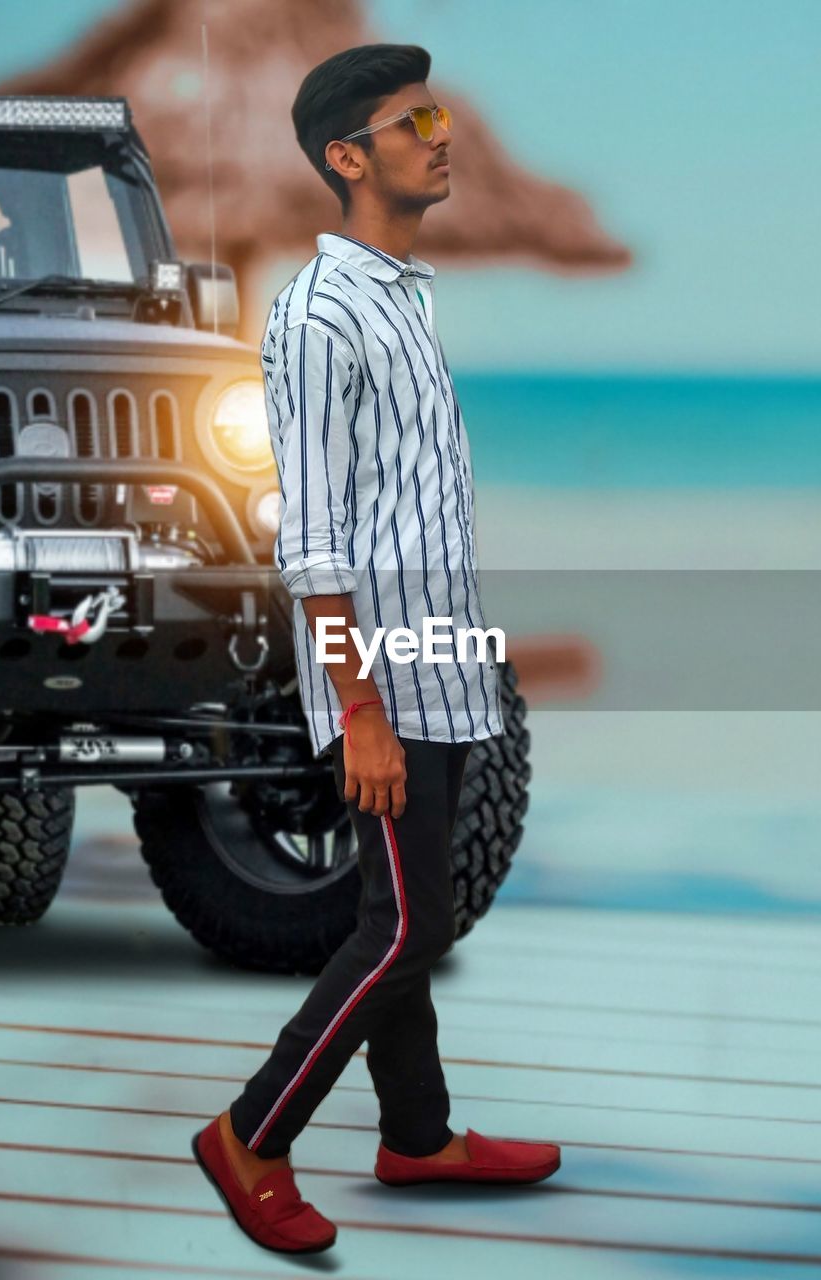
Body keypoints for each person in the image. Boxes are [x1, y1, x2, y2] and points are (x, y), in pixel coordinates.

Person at [191, 42, 561, 1256]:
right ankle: (251, 1132)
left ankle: (418, 1132)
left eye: (440, 113)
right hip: (379, 673)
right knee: (400, 926)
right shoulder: (318, 315)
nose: (443, 134)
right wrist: (356, 703)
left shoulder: (404, 295)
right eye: (416, 122)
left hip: (438, 658)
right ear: (348, 158)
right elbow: (314, 531)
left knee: (414, 905)